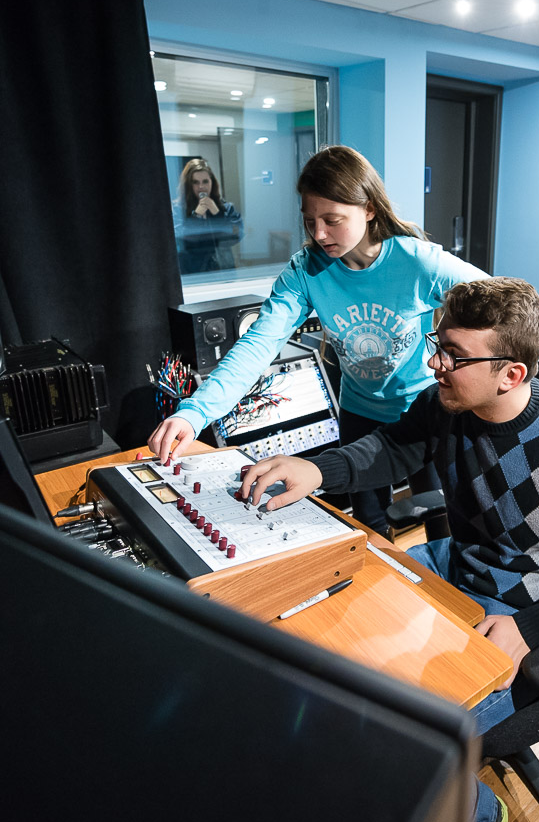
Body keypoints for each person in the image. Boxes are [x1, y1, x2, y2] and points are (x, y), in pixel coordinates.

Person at [233, 277, 539, 822]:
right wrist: (318, 470)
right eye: (440, 344)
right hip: (455, 575)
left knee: (392, 734)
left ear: (511, 373)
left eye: (455, 356)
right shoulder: (447, 403)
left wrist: (530, 629)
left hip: (527, 615)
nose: (436, 363)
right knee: (321, 659)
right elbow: (391, 449)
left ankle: (474, 820)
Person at [150, 145, 486, 534]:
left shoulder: (419, 262)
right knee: (370, 525)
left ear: (370, 208)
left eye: (333, 219)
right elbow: (259, 343)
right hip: (361, 412)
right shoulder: (306, 270)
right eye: (310, 221)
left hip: (424, 410)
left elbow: (499, 304)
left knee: (442, 515)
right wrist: (195, 412)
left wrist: (454, 350)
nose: (319, 234)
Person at [173, 158, 242, 273]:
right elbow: (179, 238)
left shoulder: (226, 208)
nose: (201, 187)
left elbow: (237, 234)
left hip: (223, 268)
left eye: (205, 181)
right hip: (192, 270)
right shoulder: (177, 209)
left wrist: (218, 214)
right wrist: (197, 216)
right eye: (195, 182)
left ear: (212, 182)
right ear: (188, 185)